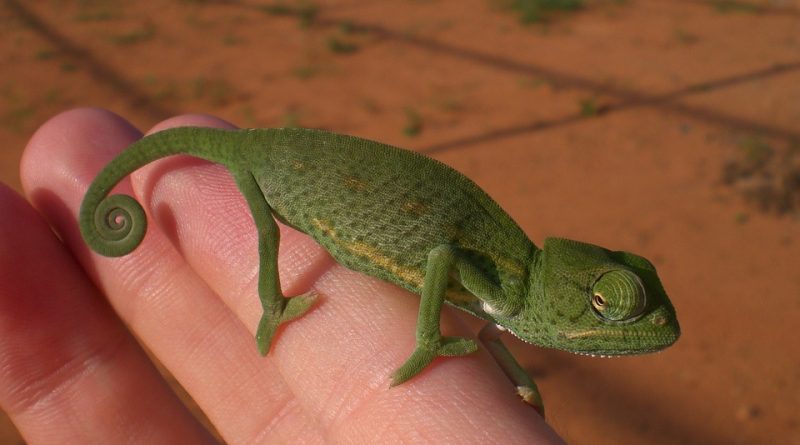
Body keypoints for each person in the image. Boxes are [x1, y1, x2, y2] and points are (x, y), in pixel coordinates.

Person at [0, 108, 565, 444]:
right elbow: (269, 235)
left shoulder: (505, 288)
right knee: (266, 233)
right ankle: (273, 303)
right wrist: (274, 306)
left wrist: (517, 377)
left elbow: (486, 316)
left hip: (291, 156)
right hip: (271, 163)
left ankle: (275, 305)